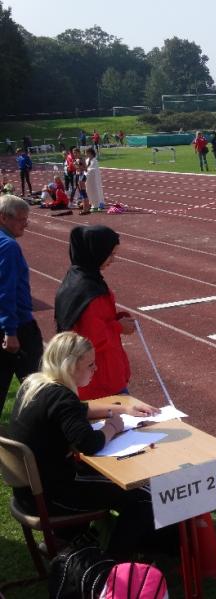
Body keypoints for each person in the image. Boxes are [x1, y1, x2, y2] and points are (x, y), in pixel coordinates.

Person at [7, 331, 169, 558]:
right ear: (71, 367)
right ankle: (112, 565)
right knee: (140, 495)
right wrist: (113, 427)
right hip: (51, 497)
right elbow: (90, 444)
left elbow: (79, 409)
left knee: (113, 483)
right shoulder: (62, 398)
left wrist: (123, 408)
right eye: (90, 365)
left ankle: (68, 538)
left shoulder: (35, 385)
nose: (96, 369)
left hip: (29, 493)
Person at [55, 225, 133, 400]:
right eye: (110, 254)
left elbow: (91, 322)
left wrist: (116, 318)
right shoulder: (89, 292)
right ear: (95, 252)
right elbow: (91, 340)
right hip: (100, 382)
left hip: (92, 377)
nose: (113, 259)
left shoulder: (79, 279)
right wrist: (119, 327)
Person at [0, 195, 43, 415]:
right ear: (3, 218)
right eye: (21, 219)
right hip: (18, 328)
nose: (26, 224)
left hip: (8, 324)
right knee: (39, 389)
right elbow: (6, 290)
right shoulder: (8, 246)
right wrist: (10, 331)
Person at [84, 147, 105, 212]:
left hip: (94, 180)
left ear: (90, 153)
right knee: (89, 191)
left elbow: (92, 170)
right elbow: (85, 168)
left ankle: (98, 205)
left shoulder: (95, 161)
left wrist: (85, 170)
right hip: (88, 179)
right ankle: (93, 204)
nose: (85, 154)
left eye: (86, 152)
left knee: (96, 190)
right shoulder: (87, 160)